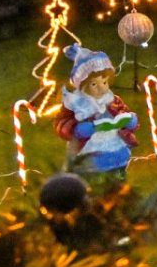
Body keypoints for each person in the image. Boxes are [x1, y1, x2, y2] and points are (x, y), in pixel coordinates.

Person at [55, 46, 136, 179]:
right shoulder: (76, 104)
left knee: (119, 156)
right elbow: (61, 123)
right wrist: (77, 129)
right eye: (94, 84)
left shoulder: (112, 100)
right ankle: (96, 179)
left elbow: (122, 111)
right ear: (82, 86)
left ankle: (119, 173)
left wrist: (129, 120)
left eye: (104, 82)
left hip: (114, 140)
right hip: (90, 146)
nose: (101, 88)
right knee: (94, 164)